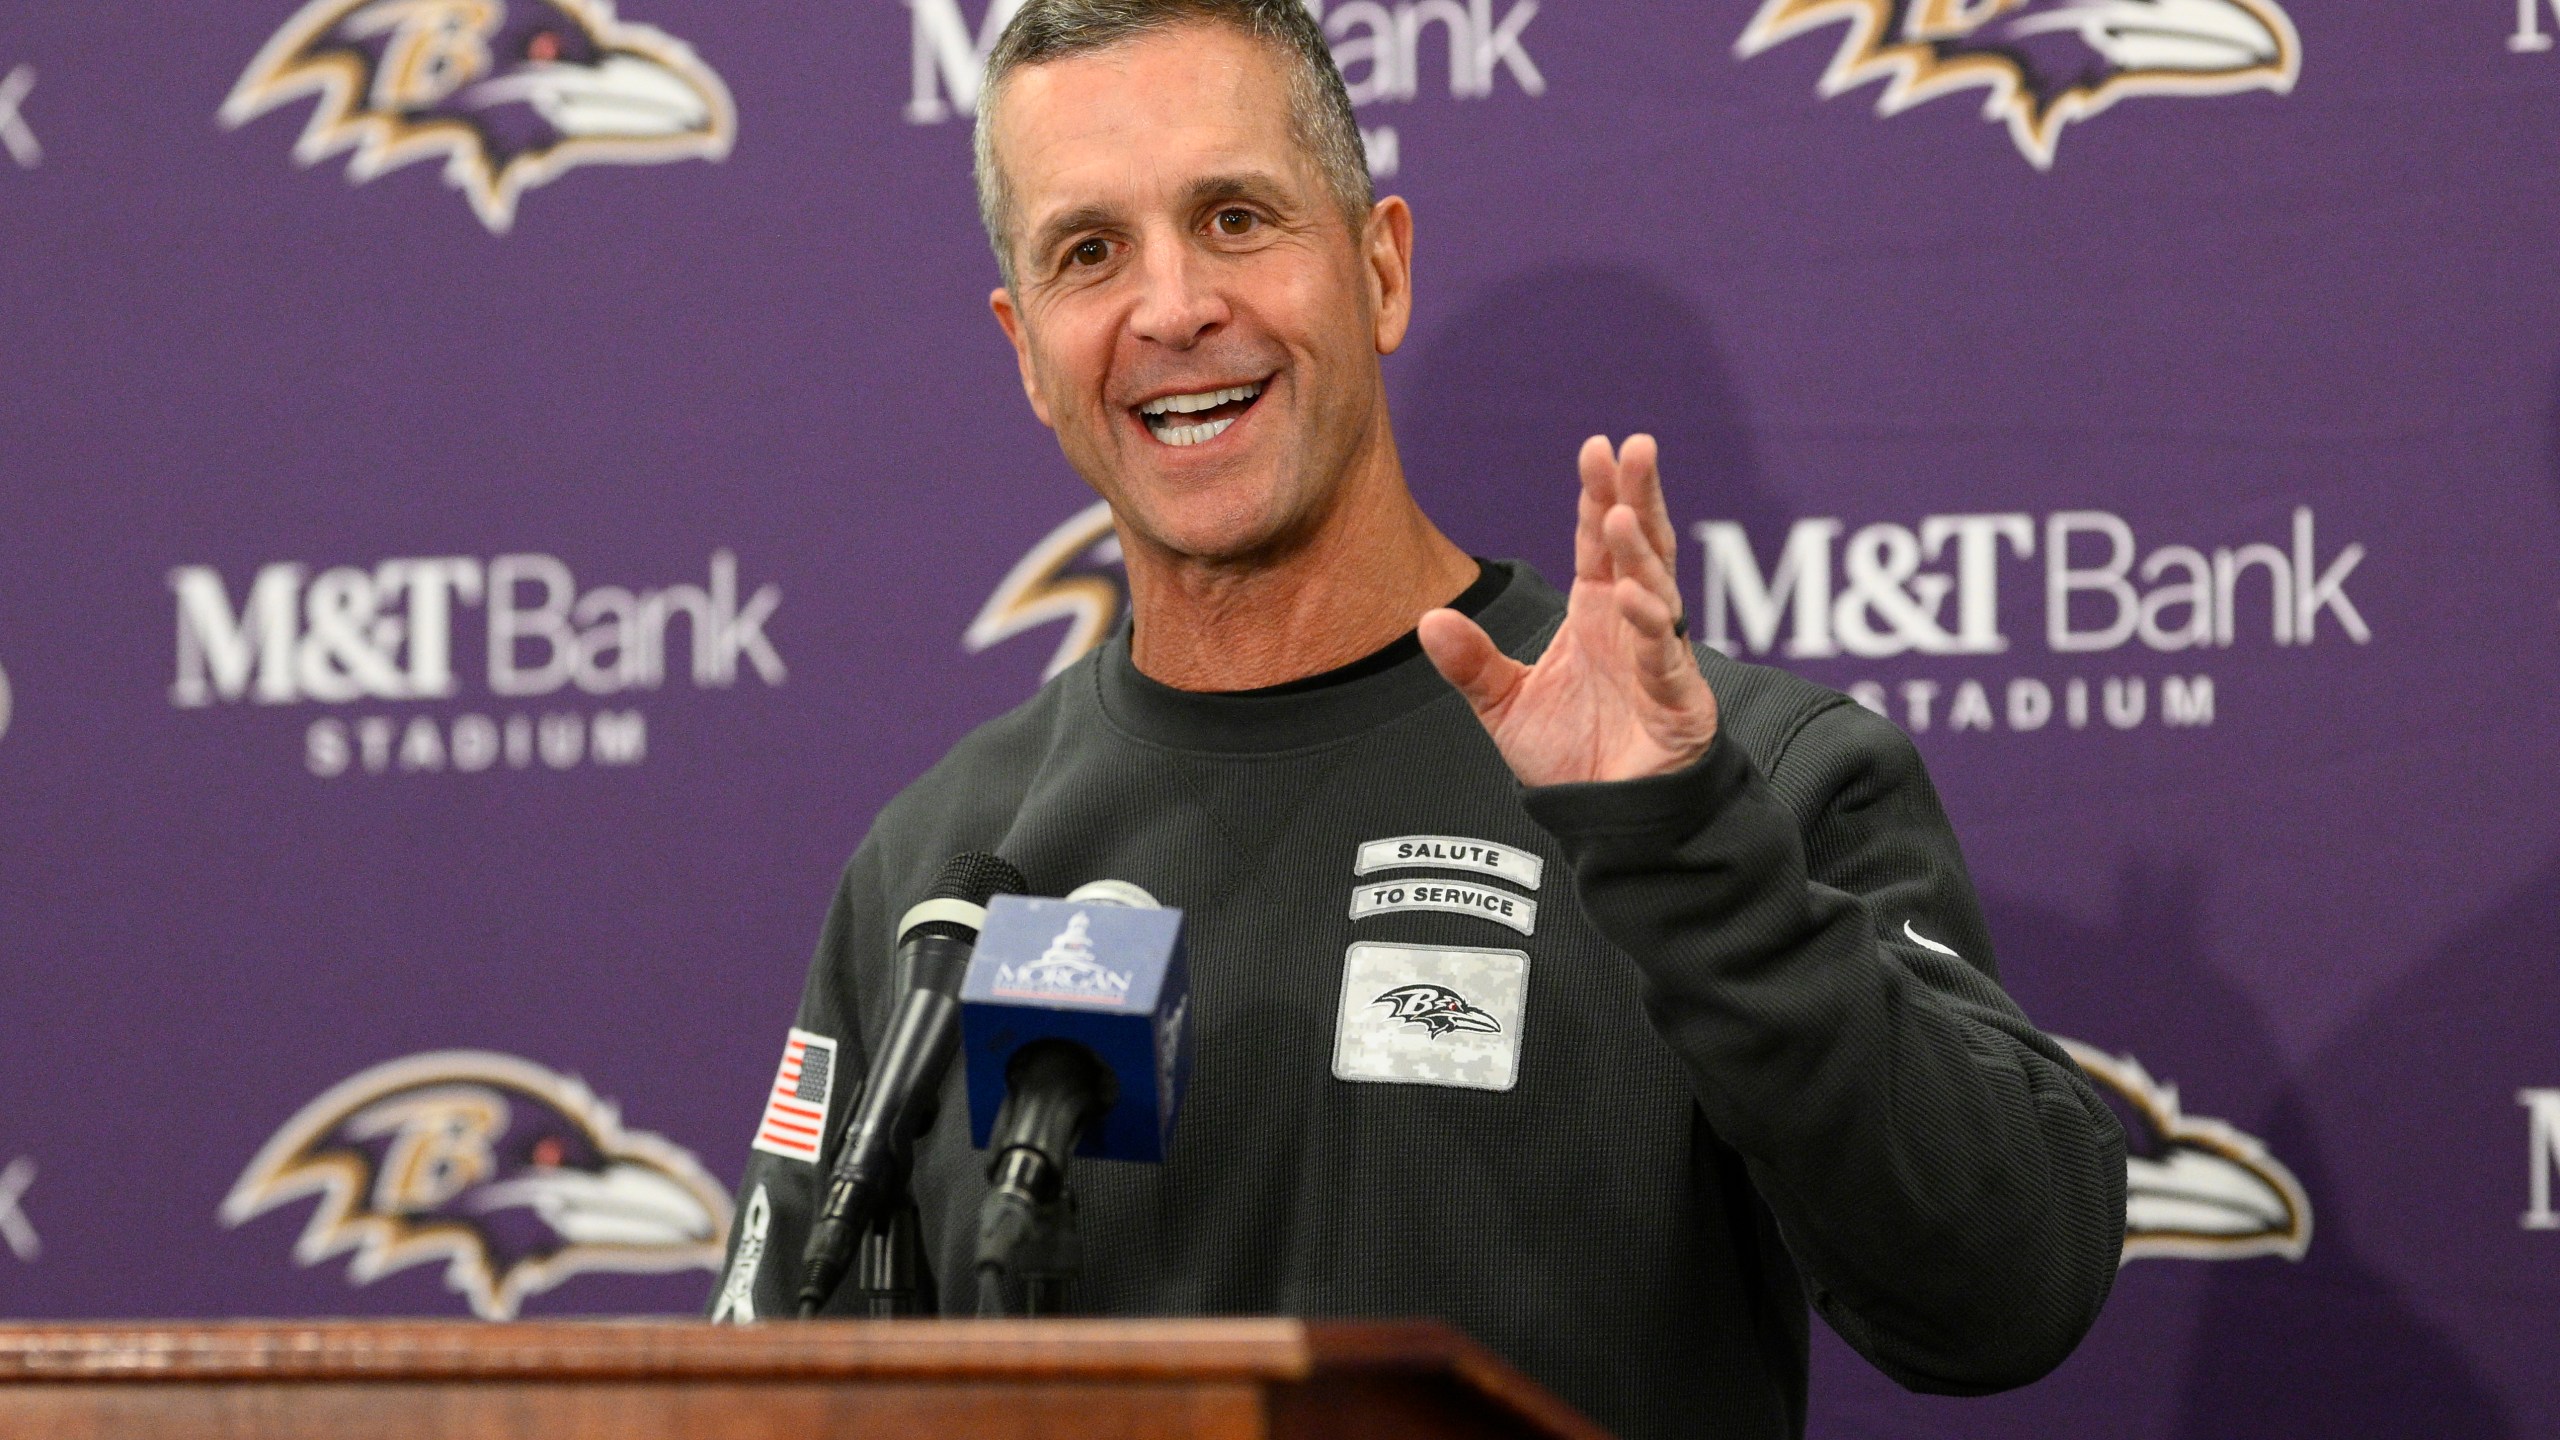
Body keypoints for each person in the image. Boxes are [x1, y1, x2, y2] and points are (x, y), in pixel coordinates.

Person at [707, 2, 2126, 1435]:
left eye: (1237, 217)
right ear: (1027, 350)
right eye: (1090, 252)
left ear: (1379, 268)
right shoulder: (937, 870)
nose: (1173, 305)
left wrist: (1688, 855)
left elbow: (2010, 1291)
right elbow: (766, 1392)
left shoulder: (1730, 779)